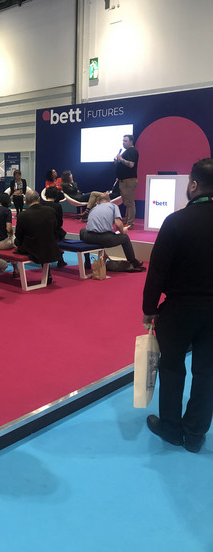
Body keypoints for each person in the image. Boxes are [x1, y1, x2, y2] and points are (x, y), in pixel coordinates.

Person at [143, 158, 213, 454]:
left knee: (171, 367)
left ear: (194, 185)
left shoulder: (175, 221)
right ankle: (195, 434)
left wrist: (149, 309)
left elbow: (157, 272)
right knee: (207, 372)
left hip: (178, 309)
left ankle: (171, 428)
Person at [79, 193, 143, 268]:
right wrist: (123, 231)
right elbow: (118, 224)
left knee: (82, 230)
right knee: (125, 238)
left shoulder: (93, 209)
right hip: (105, 239)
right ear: (109, 200)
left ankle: (87, 262)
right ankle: (133, 261)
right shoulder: (113, 206)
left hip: (89, 238)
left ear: (98, 202)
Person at [14, 190, 62, 284]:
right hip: (49, 244)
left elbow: (19, 235)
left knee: (17, 241)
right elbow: (55, 227)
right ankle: (47, 273)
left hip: (32, 247)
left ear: (26, 202)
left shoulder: (22, 215)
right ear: (39, 199)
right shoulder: (50, 211)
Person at [114, 134, 139, 228]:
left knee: (130, 203)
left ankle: (130, 223)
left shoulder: (133, 151)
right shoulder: (127, 151)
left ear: (131, 142)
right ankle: (127, 220)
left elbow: (131, 164)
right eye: (123, 141)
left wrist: (121, 159)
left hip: (129, 180)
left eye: (125, 141)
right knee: (127, 203)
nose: (123, 143)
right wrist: (117, 162)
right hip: (124, 180)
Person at [42, 186, 67, 267]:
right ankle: (60, 259)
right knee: (62, 234)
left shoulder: (40, 205)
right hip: (53, 231)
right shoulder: (57, 206)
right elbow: (60, 222)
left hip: (40, 230)